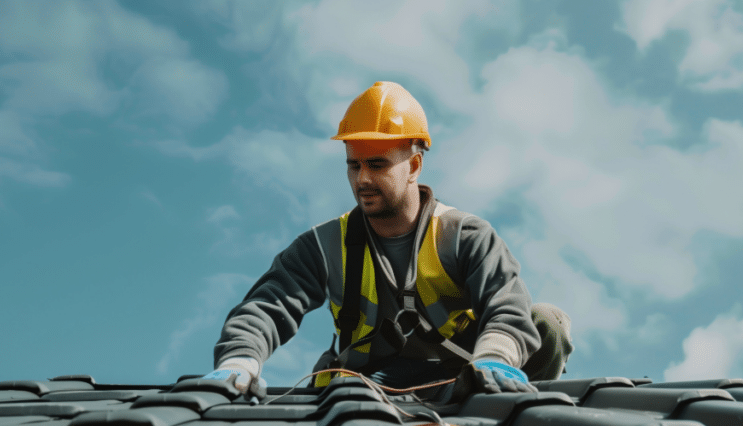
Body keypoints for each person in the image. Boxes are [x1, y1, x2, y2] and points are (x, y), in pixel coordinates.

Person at [205, 81, 573, 400]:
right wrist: (239, 362)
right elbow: (266, 306)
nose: (362, 179)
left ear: (414, 166)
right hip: (363, 388)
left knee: (547, 323)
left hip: (462, 379)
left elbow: (506, 306)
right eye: (354, 165)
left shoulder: (463, 236)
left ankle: (515, 417)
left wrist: (494, 360)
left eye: (377, 165)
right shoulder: (324, 246)